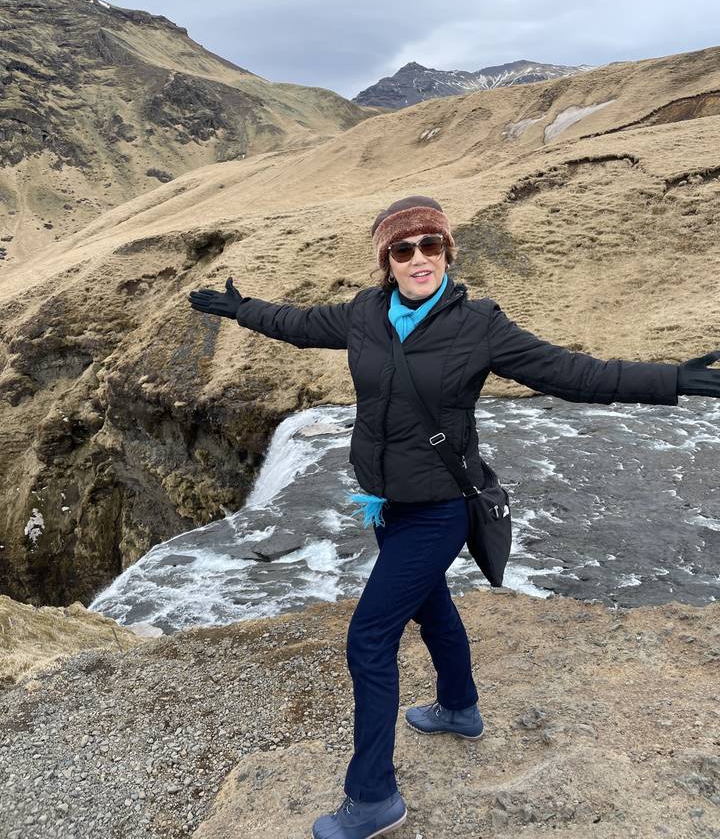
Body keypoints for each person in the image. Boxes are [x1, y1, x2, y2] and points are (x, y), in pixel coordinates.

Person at [188, 195, 720, 839]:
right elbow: (299, 323)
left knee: (368, 640)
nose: (419, 259)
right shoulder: (365, 314)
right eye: (403, 249)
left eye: (431, 246)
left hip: (442, 507)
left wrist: (669, 381)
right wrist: (241, 310)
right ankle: (460, 708)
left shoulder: (480, 325)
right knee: (431, 604)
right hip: (387, 504)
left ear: (447, 252)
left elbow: (573, 374)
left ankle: (374, 797)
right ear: (386, 260)